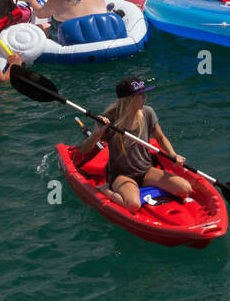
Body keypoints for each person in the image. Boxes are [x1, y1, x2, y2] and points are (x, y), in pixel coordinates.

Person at [73, 77, 192, 207]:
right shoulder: (110, 119)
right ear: (128, 100)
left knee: (185, 189)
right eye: (140, 95)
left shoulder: (147, 112)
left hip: (146, 170)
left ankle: (140, 188)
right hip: (121, 175)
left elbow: (161, 138)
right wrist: (97, 132)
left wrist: (173, 155)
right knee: (133, 205)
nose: (145, 97)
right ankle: (105, 190)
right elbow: (84, 150)